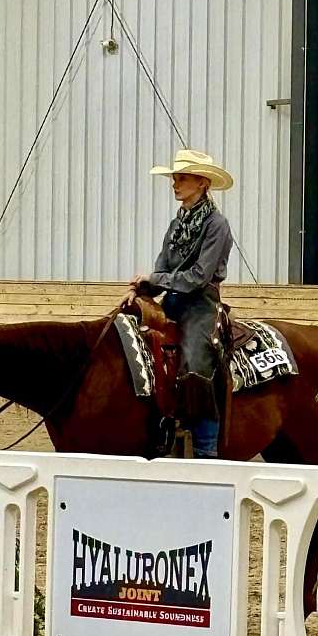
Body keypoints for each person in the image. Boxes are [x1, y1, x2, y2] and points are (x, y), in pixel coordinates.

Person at [123, 150, 234, 458]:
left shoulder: (217, 225)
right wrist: (142, 289)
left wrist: (156, 278)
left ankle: (205, 447)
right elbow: (162, 266)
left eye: (181, 178)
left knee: (196, 361)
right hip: (172, 300)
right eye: (174, 178)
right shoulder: (177, 224)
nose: (175, 184)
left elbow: (199, 276)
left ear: (201, 183)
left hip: (201, 304)